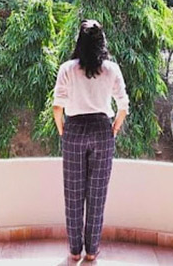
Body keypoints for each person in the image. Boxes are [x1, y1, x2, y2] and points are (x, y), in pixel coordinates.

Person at [52, 19, 129, 262]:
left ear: (79, 41)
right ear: (102, 41)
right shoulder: (111, 69)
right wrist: (114, 128)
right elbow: (124, 105)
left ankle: (75, 251)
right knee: (97, 194)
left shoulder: (67, 68)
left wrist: (63, 130)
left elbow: (57, 106)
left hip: (74, 128)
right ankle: (92, 251)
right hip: (101, 129)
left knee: (73, 193)